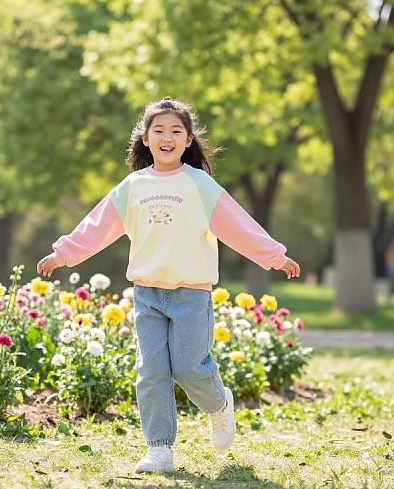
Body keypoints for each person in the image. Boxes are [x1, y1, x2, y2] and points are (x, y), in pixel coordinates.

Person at [37, 97, 301, 474]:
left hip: (191, 294)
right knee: (152, 372)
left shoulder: (199, 185)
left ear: (189, 139)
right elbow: (96, 226)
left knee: (191, 369)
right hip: (147, 294)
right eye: (158, 130)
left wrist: (275, 256)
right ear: (145, 138)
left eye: (176, 131)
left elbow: (238, 225)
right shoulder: (133, 186)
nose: (167, 137)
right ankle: (159, 448)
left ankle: (219, 404)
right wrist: (62, 253)